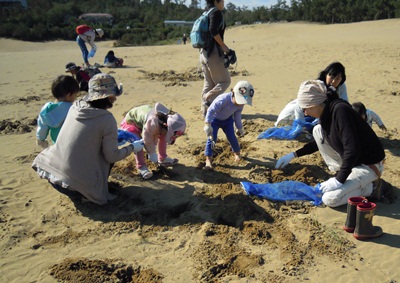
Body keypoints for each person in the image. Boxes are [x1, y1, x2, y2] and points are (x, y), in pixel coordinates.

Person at [32, 73, 144, 205]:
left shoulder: (76, 106)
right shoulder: (107, 119)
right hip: (72, 185)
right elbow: (111, 157)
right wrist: (133, 147)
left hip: (51, 173)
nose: (115, 99)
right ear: (108, 96)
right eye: (114, 95)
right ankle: (88, 194)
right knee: (108, 154)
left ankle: (82, 189)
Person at [275, 80, 385, 207]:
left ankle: (371, 188)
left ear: (314, 104)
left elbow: (352, 148)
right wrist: (294, 155)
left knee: (330, 199)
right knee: (317, 130)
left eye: (305, 108)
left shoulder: (340, 111)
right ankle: (345, 175)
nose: (305, 113)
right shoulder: (326, 114)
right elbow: (318, 142)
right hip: (353, 161)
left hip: (368, 165)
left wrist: (338, 181)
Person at [120, 103, 186, 179]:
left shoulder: (165, 122)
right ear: (165, 125)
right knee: (138, 144)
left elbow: (166, 135)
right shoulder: (152, 124)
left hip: (147, 121)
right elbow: (147, 140)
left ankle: (162, 158)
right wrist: (152, 153)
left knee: (163, 136)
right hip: (132, 122)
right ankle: (141, 166)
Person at [275, 62, 348, 127]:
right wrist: (300, 125)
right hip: (294, 115)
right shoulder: (316, 86)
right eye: (331, 77)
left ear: (342, 80)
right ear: (326, 74)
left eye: (337, 79)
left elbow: (343, 103)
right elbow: (300, 105)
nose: (333, 81)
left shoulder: (341, 87)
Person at [203, 80, 254, 170]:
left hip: (228, 120)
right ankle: (208, 160)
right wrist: (208, 124)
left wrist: (240, 128)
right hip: (214, 120)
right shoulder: (223, 99)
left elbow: (237, 115)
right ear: (233, 93)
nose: (240, 104)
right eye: (239, 100)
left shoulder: (240, 105)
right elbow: (211, 110)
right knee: (212, 138)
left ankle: (237, 153)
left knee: (232, 137)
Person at [200, 0, 233, 117]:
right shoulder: (216, 13)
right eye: (222, 0)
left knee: (209, 82)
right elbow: (213, 30)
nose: (224, 2)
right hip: (213, 52)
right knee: (225, 81)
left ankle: (204, 110)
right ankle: (208, 100)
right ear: (216, 1)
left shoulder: (207, 12)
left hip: (203, 53)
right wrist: (224, 47)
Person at [36, 75, 79, 149]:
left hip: (57, 145)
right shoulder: (73, 108)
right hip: (74, 144)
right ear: (69, 95)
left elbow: (42, 128)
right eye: (75, 94)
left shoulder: (46, 110)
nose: (76, 97)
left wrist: (40, 139)